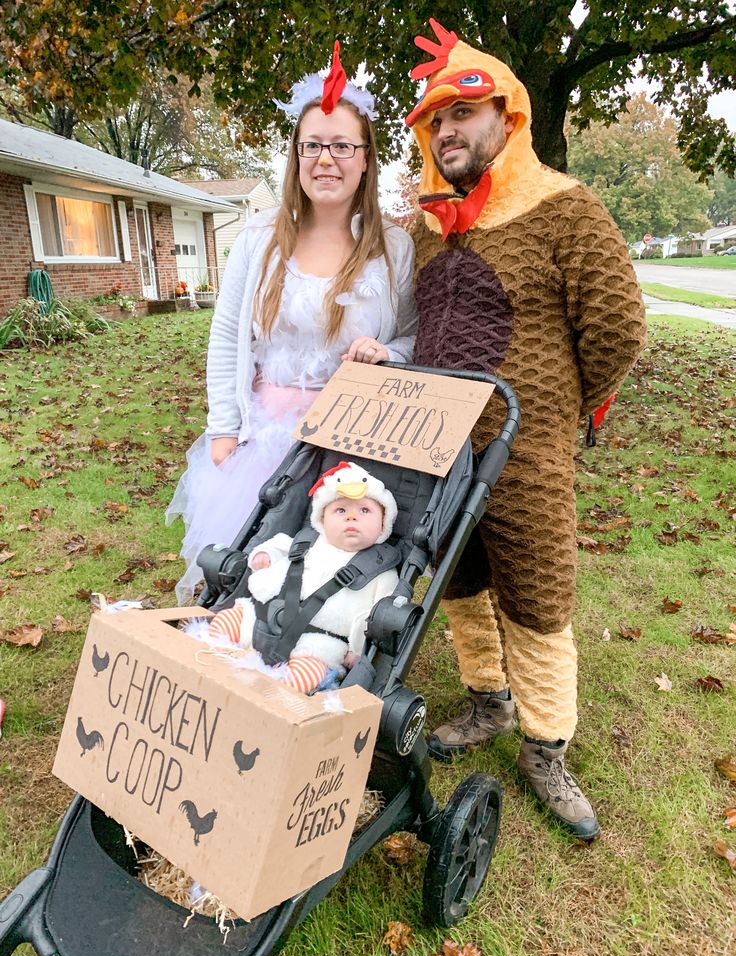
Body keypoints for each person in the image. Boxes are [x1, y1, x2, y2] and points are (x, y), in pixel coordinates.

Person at [405, 20, 647, 839]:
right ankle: (488, 702)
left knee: (538, 598)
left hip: (527, 452)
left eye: (462, 114)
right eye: (435, 119)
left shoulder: (564, 209)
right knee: (459, 584)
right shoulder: (427, 225)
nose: (447, 132)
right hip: (438, 451)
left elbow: (615, 324)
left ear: (508, 118)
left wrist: (564, 408)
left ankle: (547, 744)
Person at [167, 42, 417, 603]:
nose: (325, 159)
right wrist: (224, 431)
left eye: (341, 145)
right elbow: (227, 338)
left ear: (366, 157)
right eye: (312, 146)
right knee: (249, 573)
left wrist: (387, 355)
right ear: (296, 156)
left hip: (353, 442)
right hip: (264, 441)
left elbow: (410, 336)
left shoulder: (392, 249)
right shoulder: (259, 239)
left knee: (324, 579)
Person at [207, 461, 399, 693]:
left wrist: (358, 650)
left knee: (304, 676)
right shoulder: (307, 542)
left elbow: (377, 617)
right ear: (322, 520)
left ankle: (267, 699)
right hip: (261, 616)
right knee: (226, 622)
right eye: (340, 510)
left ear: (383, 524)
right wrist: (264, 555)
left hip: (318, 644)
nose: (352, 518)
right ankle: (215, 672)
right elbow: (278, 546)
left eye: (364, 510)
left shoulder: (382, 571)